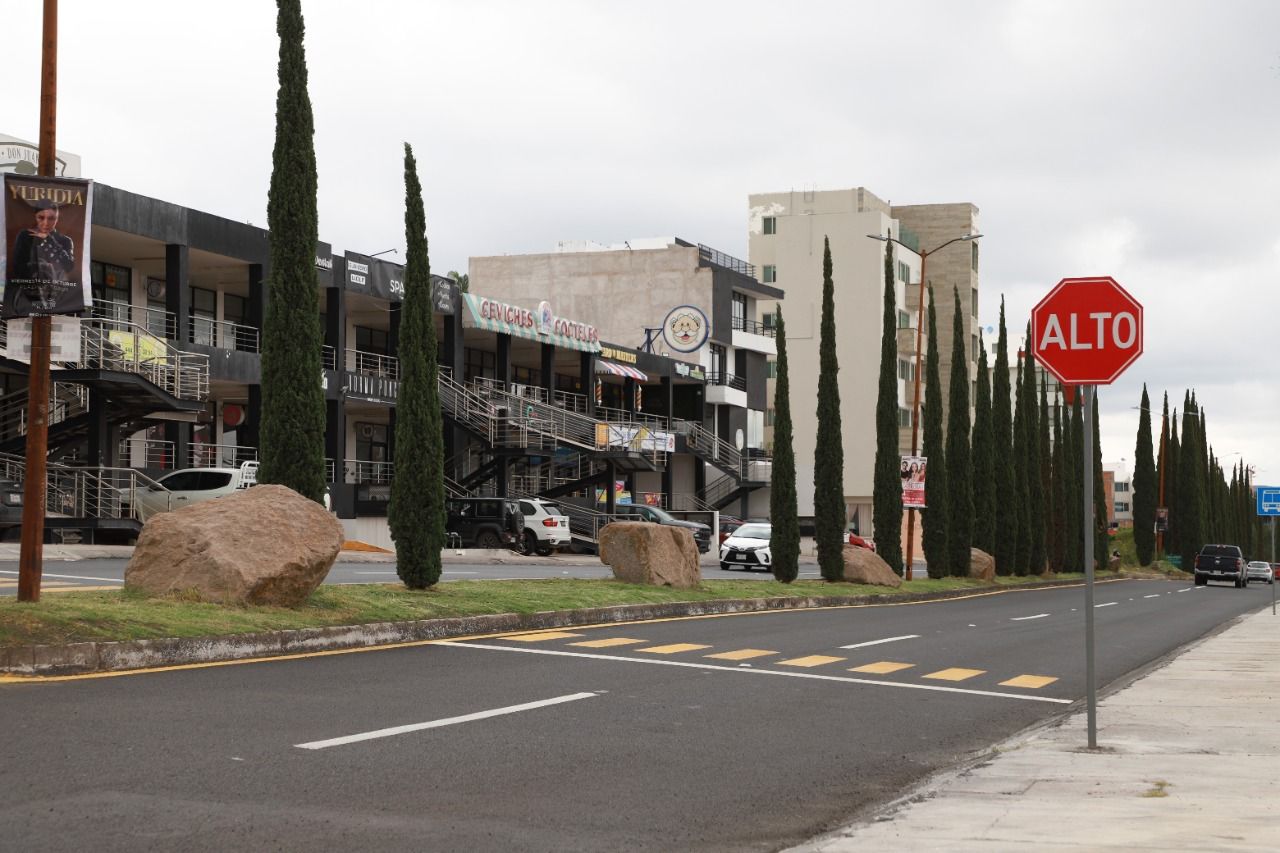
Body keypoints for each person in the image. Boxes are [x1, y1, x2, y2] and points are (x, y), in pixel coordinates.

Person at [7, 199, 76, 315]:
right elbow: (16, 267)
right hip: (25, 298)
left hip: (57, 300)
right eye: (41, 217)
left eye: (51, 218)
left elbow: (68, 265)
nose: (46, 223)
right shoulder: (25, 236)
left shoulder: (65, 241)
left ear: (57, 218)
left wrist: (49, 240)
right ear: (35, 216)